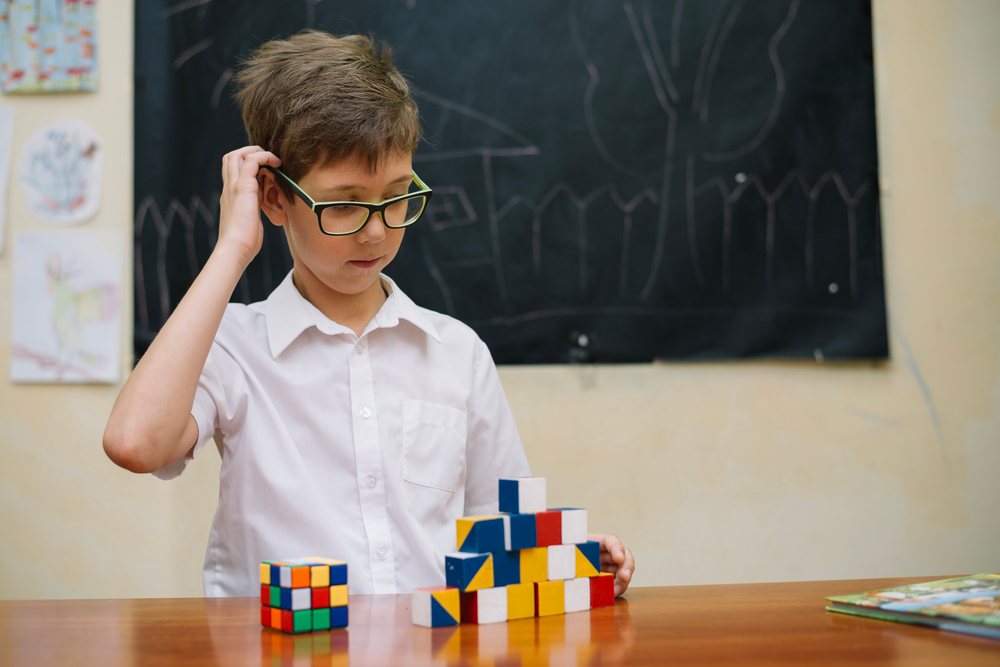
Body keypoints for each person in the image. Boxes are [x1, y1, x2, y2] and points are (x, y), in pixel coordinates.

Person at [103, 30, 634, 598]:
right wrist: (232, 248)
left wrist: (565, 561)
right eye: (346, 203)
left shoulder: (455, 352)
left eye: (398, 195)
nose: (377, 230)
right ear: (275, 198)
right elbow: (137, 444)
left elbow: (501, 531)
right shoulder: (233, 345)